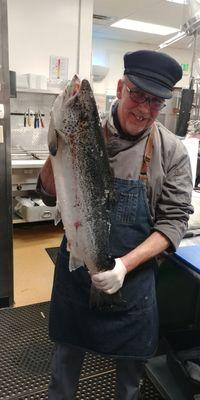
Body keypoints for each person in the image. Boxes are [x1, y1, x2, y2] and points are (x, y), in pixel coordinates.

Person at [37, 50, 194, 400]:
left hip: (133, 283)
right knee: (64, 367)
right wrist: (57, 146)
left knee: (130, 378)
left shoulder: (172, 152)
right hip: (76, 274)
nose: (143, 108)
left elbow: (174, 223)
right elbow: (49, 194)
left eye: (155, 102)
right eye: (137, 94)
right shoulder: (87, 130)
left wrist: (123, 266)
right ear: (121, 87)